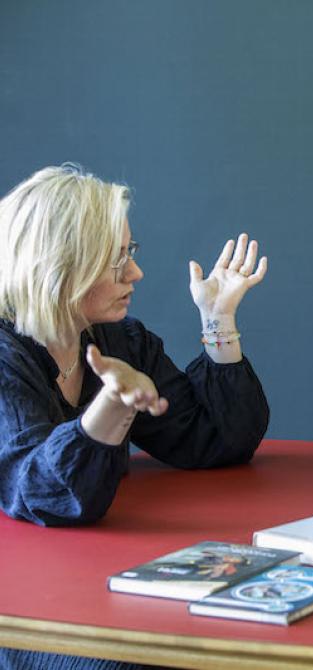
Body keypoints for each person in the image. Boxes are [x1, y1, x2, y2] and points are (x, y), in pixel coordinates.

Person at [0, 164, 270, 667]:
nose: (135, 274)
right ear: (60, 267)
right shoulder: (6, 359)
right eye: (115, 260)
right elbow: (43, 495)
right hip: (23, 615)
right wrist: (110, 405)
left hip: (90, 582)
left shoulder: (118, 340)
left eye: (131, 252)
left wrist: (218, 320)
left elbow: (213, 439)